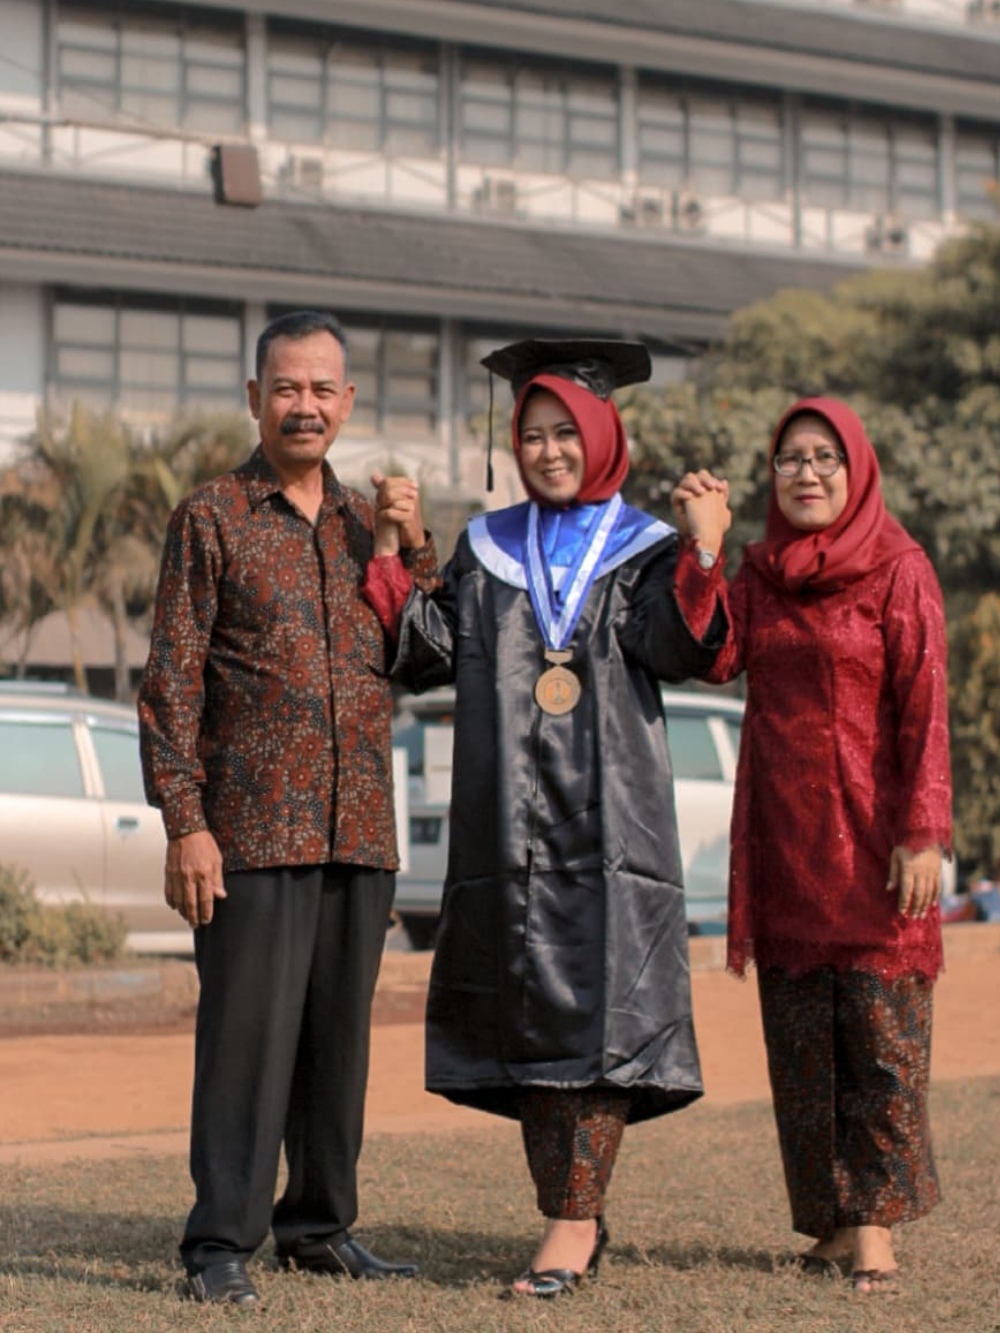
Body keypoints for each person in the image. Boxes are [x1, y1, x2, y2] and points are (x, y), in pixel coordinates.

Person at [366, 338, 727, 1297]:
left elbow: (683, 646)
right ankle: (576, 1212)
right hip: (510, 824)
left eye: (569, 431)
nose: (550, 449)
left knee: (602, 1009)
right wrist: (403, 546)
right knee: (530, 1012)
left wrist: (703, 546)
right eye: (533, 433)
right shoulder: (488, 550)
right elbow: (425, 651)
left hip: (615, 826)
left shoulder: (646, 548)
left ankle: (571, 1223)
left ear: (605, 434)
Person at [138, 309, 434, 1306]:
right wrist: (186, 820)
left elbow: (423, 657)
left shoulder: (366, 526)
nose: (304, 405)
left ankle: (320, 1223)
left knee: (336, 1041)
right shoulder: (212, 516)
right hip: (253, 828)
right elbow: (170, 683)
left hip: (359, 827)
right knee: (244, 1045)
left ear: (347, 404)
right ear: (255, 397)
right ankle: (220, 1240)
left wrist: (413, 546)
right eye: (287, 387)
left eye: (323, 389)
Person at [673, 397, 951, 1296]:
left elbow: (926, 710)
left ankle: (874, 1226)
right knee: (801, 1046)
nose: (807, 473)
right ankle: (831, 1218)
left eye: (825, 456)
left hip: (875, 846)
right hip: (788, 844)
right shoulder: (759, 574)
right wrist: (706, 550)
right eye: (790, 458)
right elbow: (714, 656)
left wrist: (923, 831)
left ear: (857, 467)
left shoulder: (899, 570)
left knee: (879, 1038)